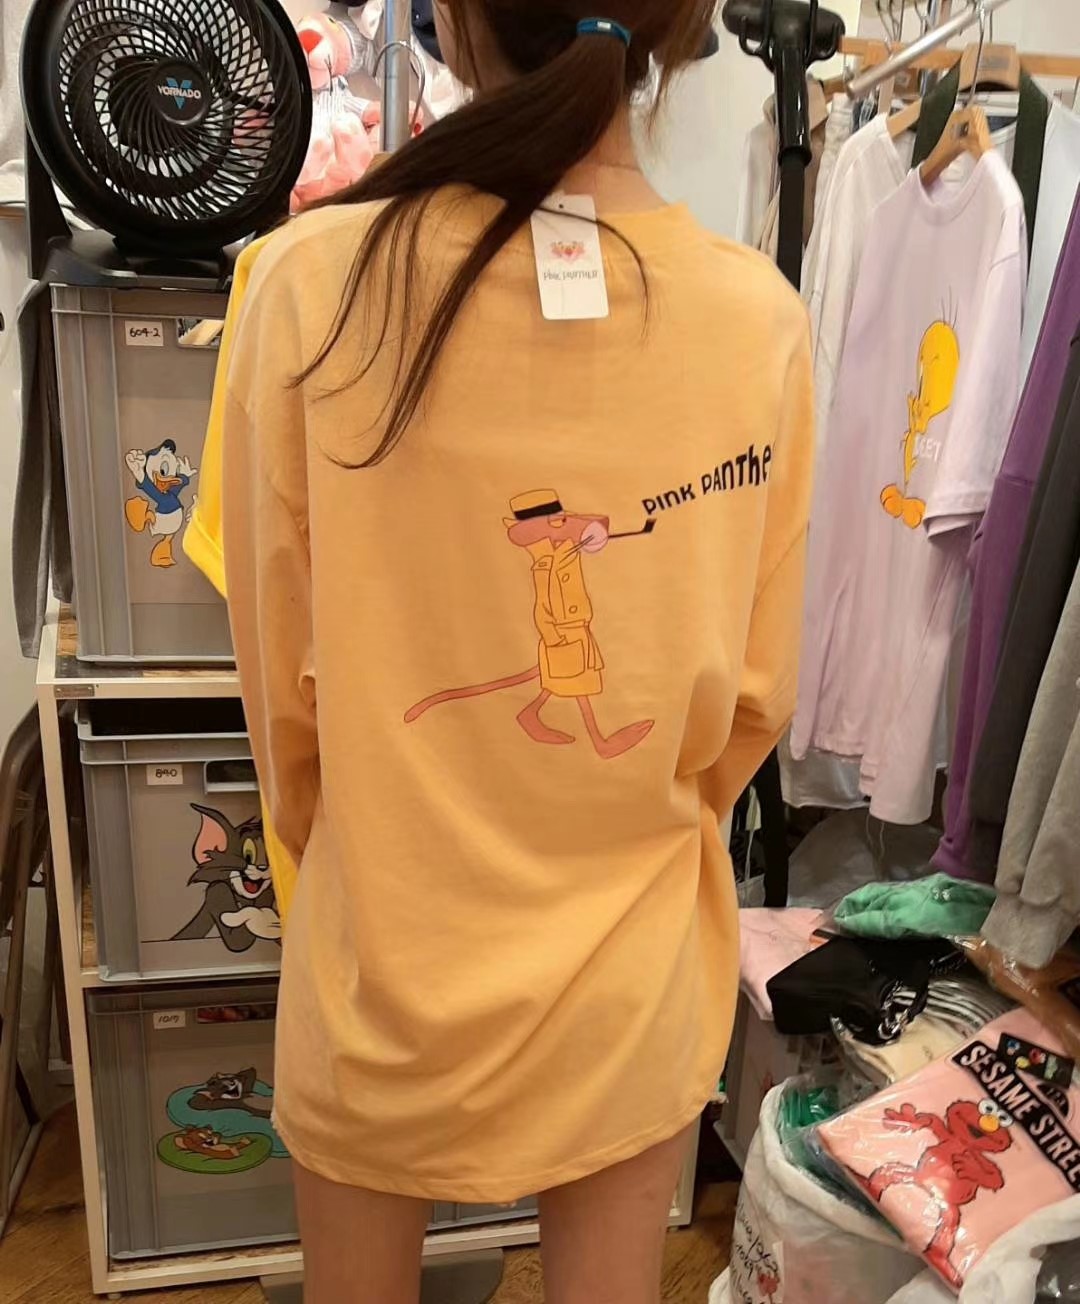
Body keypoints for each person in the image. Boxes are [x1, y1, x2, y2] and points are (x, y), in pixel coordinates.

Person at [217, 2, 813, 1300]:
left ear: (451, 14)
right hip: (629, 969)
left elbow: (282, 710)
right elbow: (754, 705)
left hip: (383, 962)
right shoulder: (759, 321)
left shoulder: (306, 286)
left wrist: (382, 855)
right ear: (682, 26)